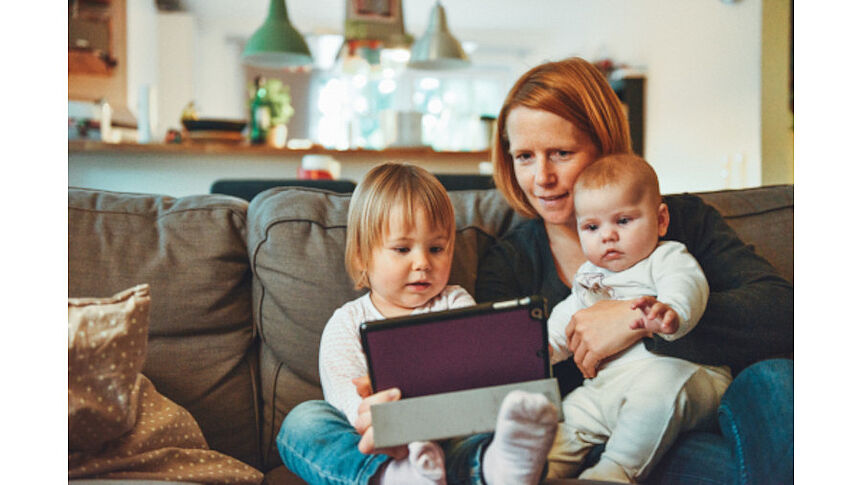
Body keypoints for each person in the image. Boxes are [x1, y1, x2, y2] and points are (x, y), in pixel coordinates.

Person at [477, 57, 793, 483]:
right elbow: (501, 379)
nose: (542, 178)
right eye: (525, 157)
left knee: (777, 379)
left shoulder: (681, 222)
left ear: (604, 146)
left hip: (698, 414)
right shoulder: (510, 262)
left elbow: (783, 314)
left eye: (561, 153)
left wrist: (637, 319)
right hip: (592, 436)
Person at [277, 162, 560, 485]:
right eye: (402, 249)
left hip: (449, 434)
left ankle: (498, 467)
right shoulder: (346, 322)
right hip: (379, 443)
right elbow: (345, 401)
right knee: (303, 422)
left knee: (495, 423)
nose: (423, 263)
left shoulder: (455, 302)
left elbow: (477, 374)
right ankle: (394, 477)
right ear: (361, 256)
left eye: (436, 248)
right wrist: (377, 417)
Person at [543, 153, 732, 482]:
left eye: (623, 221)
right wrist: (545, 347)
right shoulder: (590, 275)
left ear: (660, 220)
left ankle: (613, 472)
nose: (608, 236)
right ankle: (538, 471)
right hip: (606, 388)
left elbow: (687, 284)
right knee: (569, 416)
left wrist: (671, 311)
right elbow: (568, 316)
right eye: (592, 226)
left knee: (656, 391)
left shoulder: (665, 257)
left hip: (682, 377)